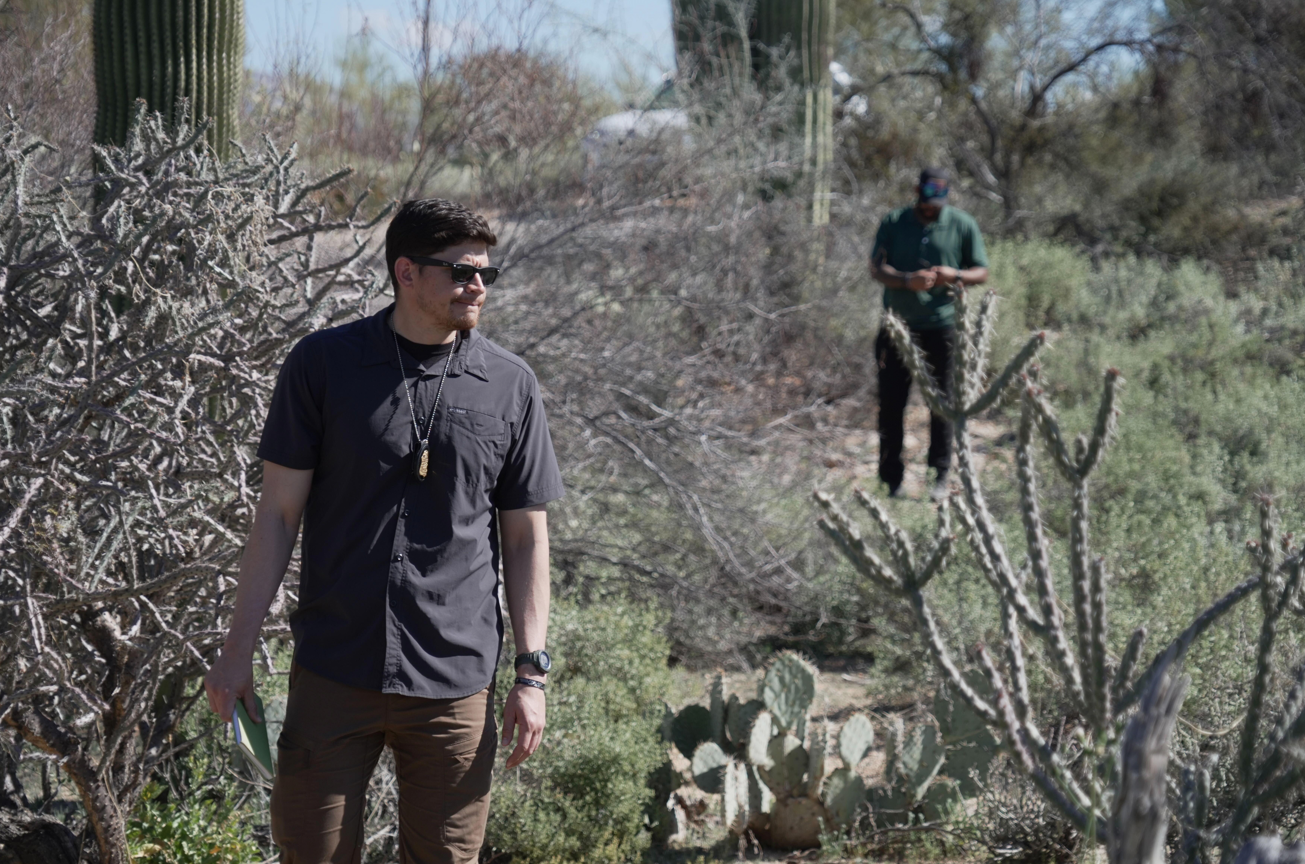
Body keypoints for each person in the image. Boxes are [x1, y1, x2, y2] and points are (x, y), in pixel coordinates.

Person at [203, 198, 565, 864]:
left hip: (455, 680)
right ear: (405, 271)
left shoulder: (509, 385)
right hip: (334, 668)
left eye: (485, 273)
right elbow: (277, 517)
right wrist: (236, 651)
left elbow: (525, 539)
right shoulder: (322, 365)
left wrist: (532, 675)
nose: (476, 287)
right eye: (459, 271)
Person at [869, 168, 989, 499]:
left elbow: (982, 271)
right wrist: (908, 281)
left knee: (943, 405)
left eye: (937, 201)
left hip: (943, 326)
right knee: (892, 406)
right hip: (898, 326)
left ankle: (939, 475)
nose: (930, 207)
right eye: (926, 201)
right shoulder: (894, 222)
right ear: (916, 193)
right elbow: (876, 268)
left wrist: (954, 275)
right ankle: (891, 480)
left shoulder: (962, 224)